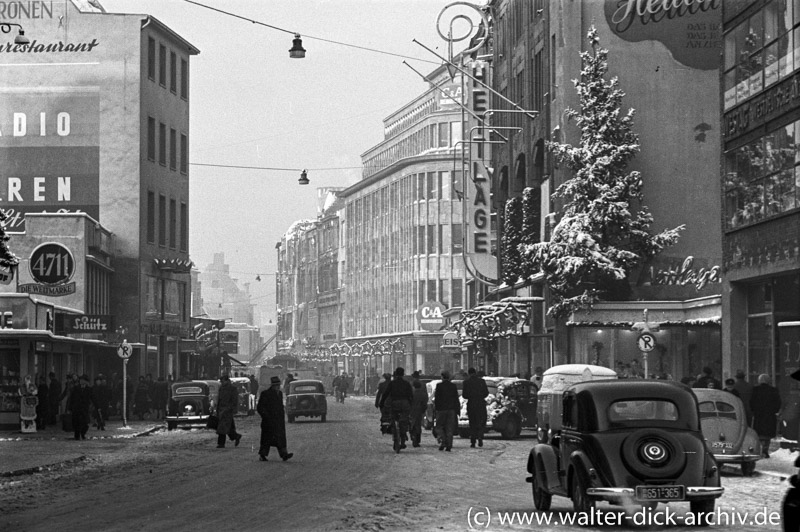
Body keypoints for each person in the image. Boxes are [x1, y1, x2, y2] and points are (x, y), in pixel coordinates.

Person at [257, 376, 293, 461]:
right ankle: (262, 455)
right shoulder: (265, 394)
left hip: (278, 421)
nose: (278, 386)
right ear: (272, 386)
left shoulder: (279, 394)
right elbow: (260, 407)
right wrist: (266, 416)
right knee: (266, 439)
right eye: (276, 385)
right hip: (268, 421)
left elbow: (280, 406)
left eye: (278, 385)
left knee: (280, 439)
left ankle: (284, 454)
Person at [378, 367, 413, 450]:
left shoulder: (392, 383)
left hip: (395, 403)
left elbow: (386, 394)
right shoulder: (406, 383)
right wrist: (410, 404)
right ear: (403, 374)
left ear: (396, 374)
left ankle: (395, 436)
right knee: (404, 421)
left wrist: (382, 403)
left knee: (393, 418)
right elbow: (410, 395)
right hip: (405, 403)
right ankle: (403, 439)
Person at [750, 373, 782, 458]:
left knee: (759, 434)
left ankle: (759, 449)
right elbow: (778, 403)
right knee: (767, 435)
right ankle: (765, 450)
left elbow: (751, 402)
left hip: (759, 415)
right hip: (769, 415)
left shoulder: (755, 390)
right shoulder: (773, 390)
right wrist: (774, 411)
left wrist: (754, 411)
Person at [462, 367, 489, 448]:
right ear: (475, 372)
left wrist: (471, 396)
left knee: (472, 422)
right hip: (480, 404)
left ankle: (473, 441)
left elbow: (464, 395)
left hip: (471, 404)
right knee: (480, 421)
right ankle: (480, 436)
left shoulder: (466, 382)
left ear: (469, 373)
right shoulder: (481, 381)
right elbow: (486, 393)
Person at [434, 370, 460, 452]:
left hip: (441, 410)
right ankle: (449, 444)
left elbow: (437, 398)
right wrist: (457, 409)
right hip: (451, 410)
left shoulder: (439, 386)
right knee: (449, 428)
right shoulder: (453, 386)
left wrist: (436, 409)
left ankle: (443, 440)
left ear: (442, 377)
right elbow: (456, 398)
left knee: (439, 427)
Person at [215, 374, 243, 449]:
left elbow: (234, 400)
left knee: (222, 427)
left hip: (227, 410)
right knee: (227, 426)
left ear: (227, 380)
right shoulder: (221, 388)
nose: (222, 382)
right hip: (221, 410)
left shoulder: (232, 388)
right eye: (221, 381)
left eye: (223, 381)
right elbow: (219, 400)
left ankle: (221, 443)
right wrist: (217, 410)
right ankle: (236, 436)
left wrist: (233, 409)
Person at [68, 375, 95, 440]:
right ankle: (77, 436)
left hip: (84, 408)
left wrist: (96, 406)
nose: (81, 381)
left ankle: (82, 433)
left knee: (85, 423)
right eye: (80, 380)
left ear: (86, 381)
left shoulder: (89, 389)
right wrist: (69, 408)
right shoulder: (76, 388)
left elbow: (93, 398)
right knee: (76, 422)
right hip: (76, 408)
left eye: (83, 380)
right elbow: (71, 399)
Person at [409, 379, 428, 448]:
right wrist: (423, 410)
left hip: (412, 411)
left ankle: (413, 437)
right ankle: (417, 440)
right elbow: (425, 403)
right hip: (419, 411)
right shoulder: (422, 394)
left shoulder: (411, 393)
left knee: (412, 425)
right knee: (418, 425)